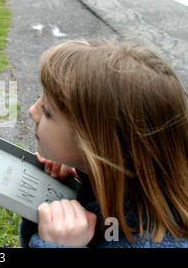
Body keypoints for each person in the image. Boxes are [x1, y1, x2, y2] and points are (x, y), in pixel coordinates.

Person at [19, 38, 188, 248]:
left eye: (47, 111)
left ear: (94, 146)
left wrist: (59, 245)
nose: (32, 111)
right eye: (39, 98)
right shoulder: (122, 192)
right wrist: (84, 179)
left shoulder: (153, 242)